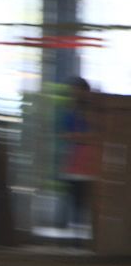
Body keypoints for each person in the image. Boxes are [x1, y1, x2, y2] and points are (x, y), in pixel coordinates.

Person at [57, 76, 99, 234]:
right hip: (74, 159)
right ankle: (74, 232)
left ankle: (80, 233)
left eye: (76, 90)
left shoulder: (90, 111)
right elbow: (65, 133)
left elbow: (94, 134)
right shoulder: (71, 110)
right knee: (72, 196)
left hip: (86, 161)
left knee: (81, 199)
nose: (73, 93)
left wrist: (77, 137)